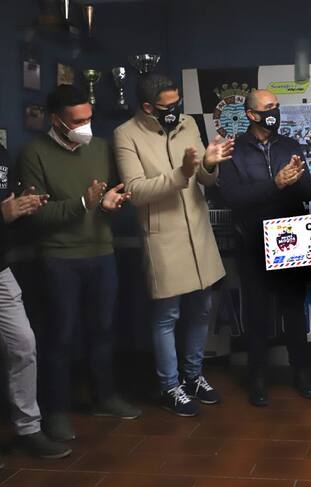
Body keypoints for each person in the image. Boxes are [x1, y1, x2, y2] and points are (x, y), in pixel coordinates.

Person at [18, 84, 140, 443]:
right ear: (55, 120)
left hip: (102, 253)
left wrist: (110, 203)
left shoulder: (99, 147)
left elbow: (111, 196)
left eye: (89, 118)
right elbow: (35, 214)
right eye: (77, 121)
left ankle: (104, 397)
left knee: (103, 330)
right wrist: (83, 204)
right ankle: (55, 411)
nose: (86, 125)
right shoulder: (34, 153)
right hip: (58, 258)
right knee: (60, 336)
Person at [114, 73, 234, 416]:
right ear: (147, 107)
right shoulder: (126, 134)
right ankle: (169, 386)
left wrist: (209, 163)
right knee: (167, 316)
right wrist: (181, 173)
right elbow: (136, 191)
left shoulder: (187, 124)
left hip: (199, 233)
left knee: (202, 310)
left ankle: (193, 376)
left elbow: (204, 177)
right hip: (163, 237)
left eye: (177, 103)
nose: (175, 111)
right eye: (167, 106)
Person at [218, 89, 311, 406]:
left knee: (294, 311)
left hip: (290, 242)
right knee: (257, 313)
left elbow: (309, 191)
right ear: (251, 114)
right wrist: (276, 184)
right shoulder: (233, 151)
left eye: (276, 106)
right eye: (268, 107)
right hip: (252, 243)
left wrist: (296, 179)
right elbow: (234, 198)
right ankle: (257, 378)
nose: (274, 111)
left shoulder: (290, 145)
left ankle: (301, 372)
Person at [0, 144, 71, 460]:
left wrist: (23, 207)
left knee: (23, 343)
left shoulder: (2, 154)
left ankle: (28, 429)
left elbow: (7, 211)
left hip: (1, 269)